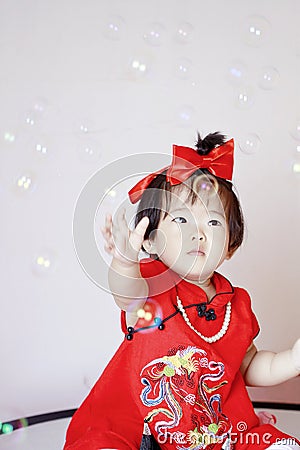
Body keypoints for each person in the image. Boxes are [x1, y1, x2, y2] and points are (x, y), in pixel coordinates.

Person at [64, 132, 300, 450]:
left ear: (230, 245)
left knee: (267, 443)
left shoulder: (236, 305)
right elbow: (124, 291)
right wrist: (124, 258)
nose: (199, 233)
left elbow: (250, 366)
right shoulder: (151, 284)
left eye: (213, 223)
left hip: (213, 425)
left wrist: (292, 360)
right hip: (137, 421)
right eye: (180, 219)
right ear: (149, 240)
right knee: (108, 441)